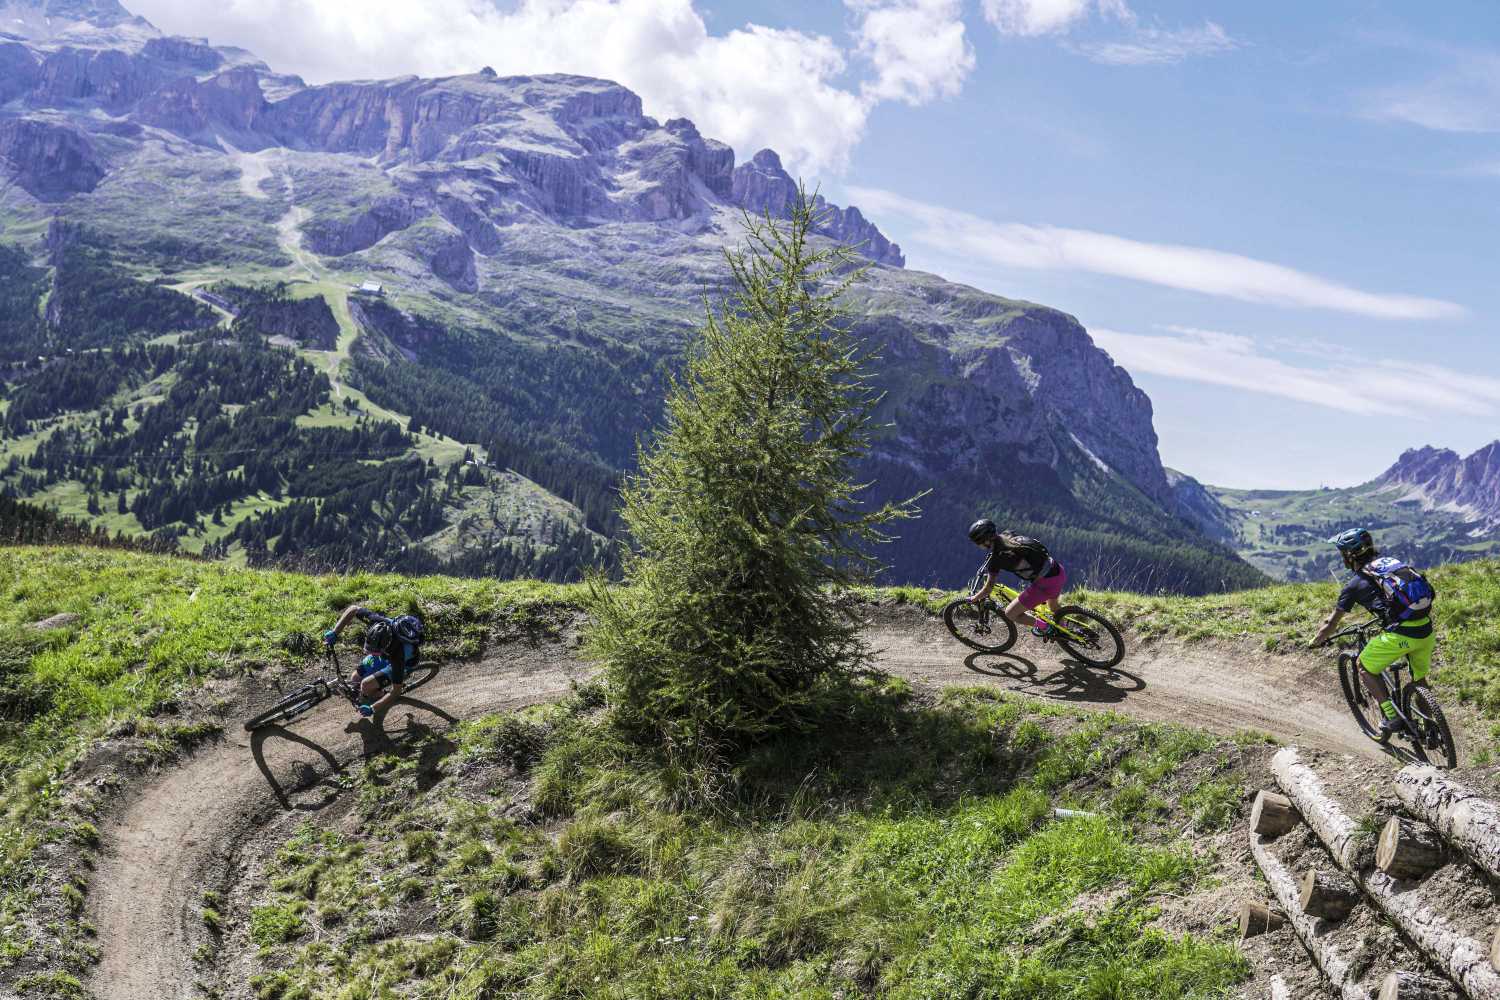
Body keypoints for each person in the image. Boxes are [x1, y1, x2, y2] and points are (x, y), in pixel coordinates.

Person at [1310, 528, 1436, 738]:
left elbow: (1331, 623)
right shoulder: (1389, 564)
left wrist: (1315, 641)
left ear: (1349, 556)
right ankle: (1432, 727)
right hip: (1425, 630)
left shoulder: (1354, 584)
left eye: (1342, 554)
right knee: (1419, 679)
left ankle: (1390, 716)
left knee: (1363, 665)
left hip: (1401, 635)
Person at [965, 518, 1067, 639]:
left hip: (1045, 583)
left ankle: (1046, 627)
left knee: (1010, 613)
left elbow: (988, 589)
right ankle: (1065, 631)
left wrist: (974, 598)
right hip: (1057, 571)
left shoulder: (997, 559)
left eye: (978, 543)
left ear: (986, 541)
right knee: (1053, 607)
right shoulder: (1008, 534)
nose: (979, 546)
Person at [322, 605, 425, 718]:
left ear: (384, 647)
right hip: (385, 654)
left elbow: (396, 691)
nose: (367, 653)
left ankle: (380, 694)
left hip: (402, 662)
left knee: (366, 685)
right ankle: (372, 688)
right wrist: (335, 632)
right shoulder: (377, 622)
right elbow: (353, 609)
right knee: (355, 679)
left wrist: (373, 708)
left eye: (373, 651)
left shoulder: (398, 657)